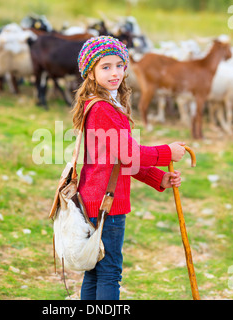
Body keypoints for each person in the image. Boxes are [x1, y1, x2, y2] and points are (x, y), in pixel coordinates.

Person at [71, 36, 186, 300]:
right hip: (106, 203)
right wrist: (167, 152)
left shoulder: (107, 104)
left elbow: (122, 160)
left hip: (95, 199)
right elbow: (130, 153)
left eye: (119, 65)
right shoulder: (103, 109)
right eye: (105, 67)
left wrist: (158, 178)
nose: (115, 73)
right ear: (91, 72)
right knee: (109, 272)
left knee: (95, 270)